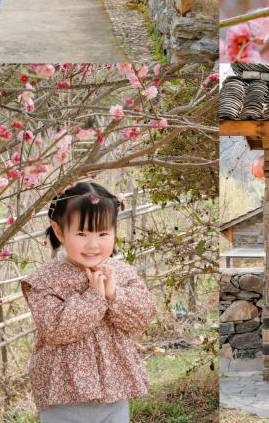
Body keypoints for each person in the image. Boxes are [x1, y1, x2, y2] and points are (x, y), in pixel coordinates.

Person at [21, 181, 157, 423]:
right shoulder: (44, 281)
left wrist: (114, 294)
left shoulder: (121, 273)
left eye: (103, 233)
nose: (93, 244)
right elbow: (56, 329)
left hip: (114, 391)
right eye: (82, 234)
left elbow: (141, 319)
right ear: (59, 231)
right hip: (63, 397)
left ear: (115, 231)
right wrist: (94, 297)